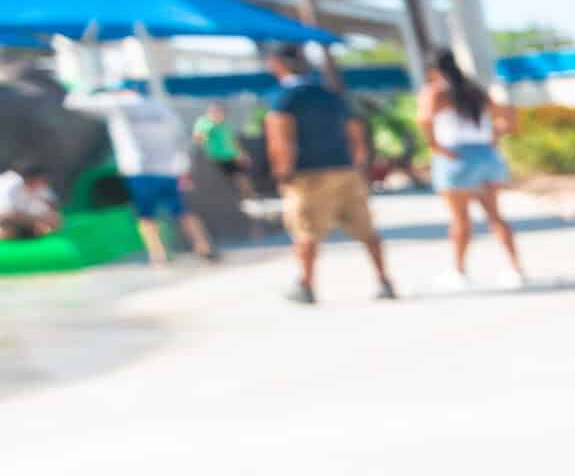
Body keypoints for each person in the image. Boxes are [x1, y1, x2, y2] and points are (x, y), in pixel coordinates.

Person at [263, 42, 395, 305]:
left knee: (306, 232)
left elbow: (281, 139)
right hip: (345, 170)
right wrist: (358, 165)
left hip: (308, 174)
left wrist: (282, 173)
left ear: (278, 64)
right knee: (366, 230)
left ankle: (307, 285)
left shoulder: (283, 98)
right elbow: (356, 133)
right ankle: (384, 280)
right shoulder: (330, 94)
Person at [66, 84, 217, 265]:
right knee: (181, 211)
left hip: (139, 170)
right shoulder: (161, 108)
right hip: (168, 170)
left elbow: (73, 103)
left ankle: (158, 255)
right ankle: (203, 246)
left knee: (146, 216)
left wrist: (87, 88)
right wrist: (183, 168)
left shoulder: (119, 104)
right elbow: (181, 140)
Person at [419, 49, 526, 290]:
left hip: (456, 156)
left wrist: (435, 146)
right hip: (486, 155)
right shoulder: (473, 89)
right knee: (495, 216)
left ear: (432, 70)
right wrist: (494, 136)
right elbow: (509, 115)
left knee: (460, 219)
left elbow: (424, 120)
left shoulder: (435, 92)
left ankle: (458, 271)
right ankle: (515, 268)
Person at [193, 100, 245, 190]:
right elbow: (198, 138)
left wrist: (239, 153)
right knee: (219, 183)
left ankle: (246, 197)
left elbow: (232, 139)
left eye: (221, 111)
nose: (219, 114)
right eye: (215, 111)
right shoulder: (204, 122)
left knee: (240, 178)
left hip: (230, 157)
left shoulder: (225, 124)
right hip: (214, 158)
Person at [0, 164, 61, 238]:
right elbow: (4, 215)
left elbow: (54, 208)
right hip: (7, 223)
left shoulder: (40, 186)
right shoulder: (10, 184)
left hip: (26, 221)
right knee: (6, 232)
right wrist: (35, 221)